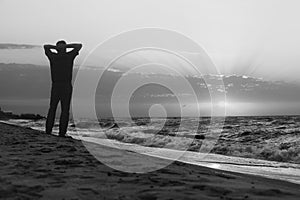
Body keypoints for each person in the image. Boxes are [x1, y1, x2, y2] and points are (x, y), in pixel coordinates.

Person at [44, 40, 82, 137]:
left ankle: (61, 132)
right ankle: (50, 131)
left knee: (63, 110)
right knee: (54, 108)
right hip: (57, 85)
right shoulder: (54, 57)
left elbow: (79, 45)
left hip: (65, 85)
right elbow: (45, 46)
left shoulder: (69, 56)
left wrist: (63, 46)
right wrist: (61, 47)